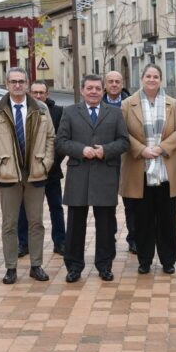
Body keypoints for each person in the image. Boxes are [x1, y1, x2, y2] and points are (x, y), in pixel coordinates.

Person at [0, 67, 55, 285]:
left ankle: (36, 265)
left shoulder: (41, 109)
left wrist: (46, 162)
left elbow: (51, 137)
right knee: (9, 224)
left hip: (35, 173)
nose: (17, 85)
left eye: (21, 81)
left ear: (27, 83)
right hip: (9, 175)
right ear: (7, 84)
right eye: (13, 81)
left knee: (36, 223)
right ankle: (11, 267)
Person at [56, 74, 130, 283]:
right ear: (82, 90)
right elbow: (60, 142)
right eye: (90, 88)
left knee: (106, 225)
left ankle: (105, 265)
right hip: (78, 175)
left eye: (98, 88)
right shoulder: (69, 112)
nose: (94, 92)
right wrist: (82, 150)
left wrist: (104, 150)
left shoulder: (115, 113)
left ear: (103, 90)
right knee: (75, 224)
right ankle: (74, 267)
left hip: (105, 175)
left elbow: (124, 142)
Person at [121, 64, 176, 275]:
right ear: (142, 79)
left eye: (156, 76)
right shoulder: (127, 104)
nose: (152, 79)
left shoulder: (172, 104)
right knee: (143, 220)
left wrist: (161, 148)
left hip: (166, 170)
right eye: (148, 76)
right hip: (140, 170)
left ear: (160, 79)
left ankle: (168, 261)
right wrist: (141, 150)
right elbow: (122, 133)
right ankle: (145, 260)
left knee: (168, 219)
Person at [16, 82, 67, 256]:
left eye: (41, 92)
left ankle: (60, 242)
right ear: (30, 93)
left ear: (48, 94)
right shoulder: (23, 110)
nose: (38, 96)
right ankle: (24, 243)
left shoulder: (59, 112)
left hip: (51, 171)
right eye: (35, 92)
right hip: (29, 172)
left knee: (56, 208)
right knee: (24, 209)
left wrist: (48, 163)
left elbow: (60, 142)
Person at [102, 70, 136, 254]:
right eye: (110, 81)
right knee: (108, 203)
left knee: (131, 202)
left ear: (122, 83)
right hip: (105, 160)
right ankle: (109, 237)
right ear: (105, 84)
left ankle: (134, 238)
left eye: (117, 81)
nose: (114, 84)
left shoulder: (131, 104)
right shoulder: (98, 103)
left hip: (128, 159)